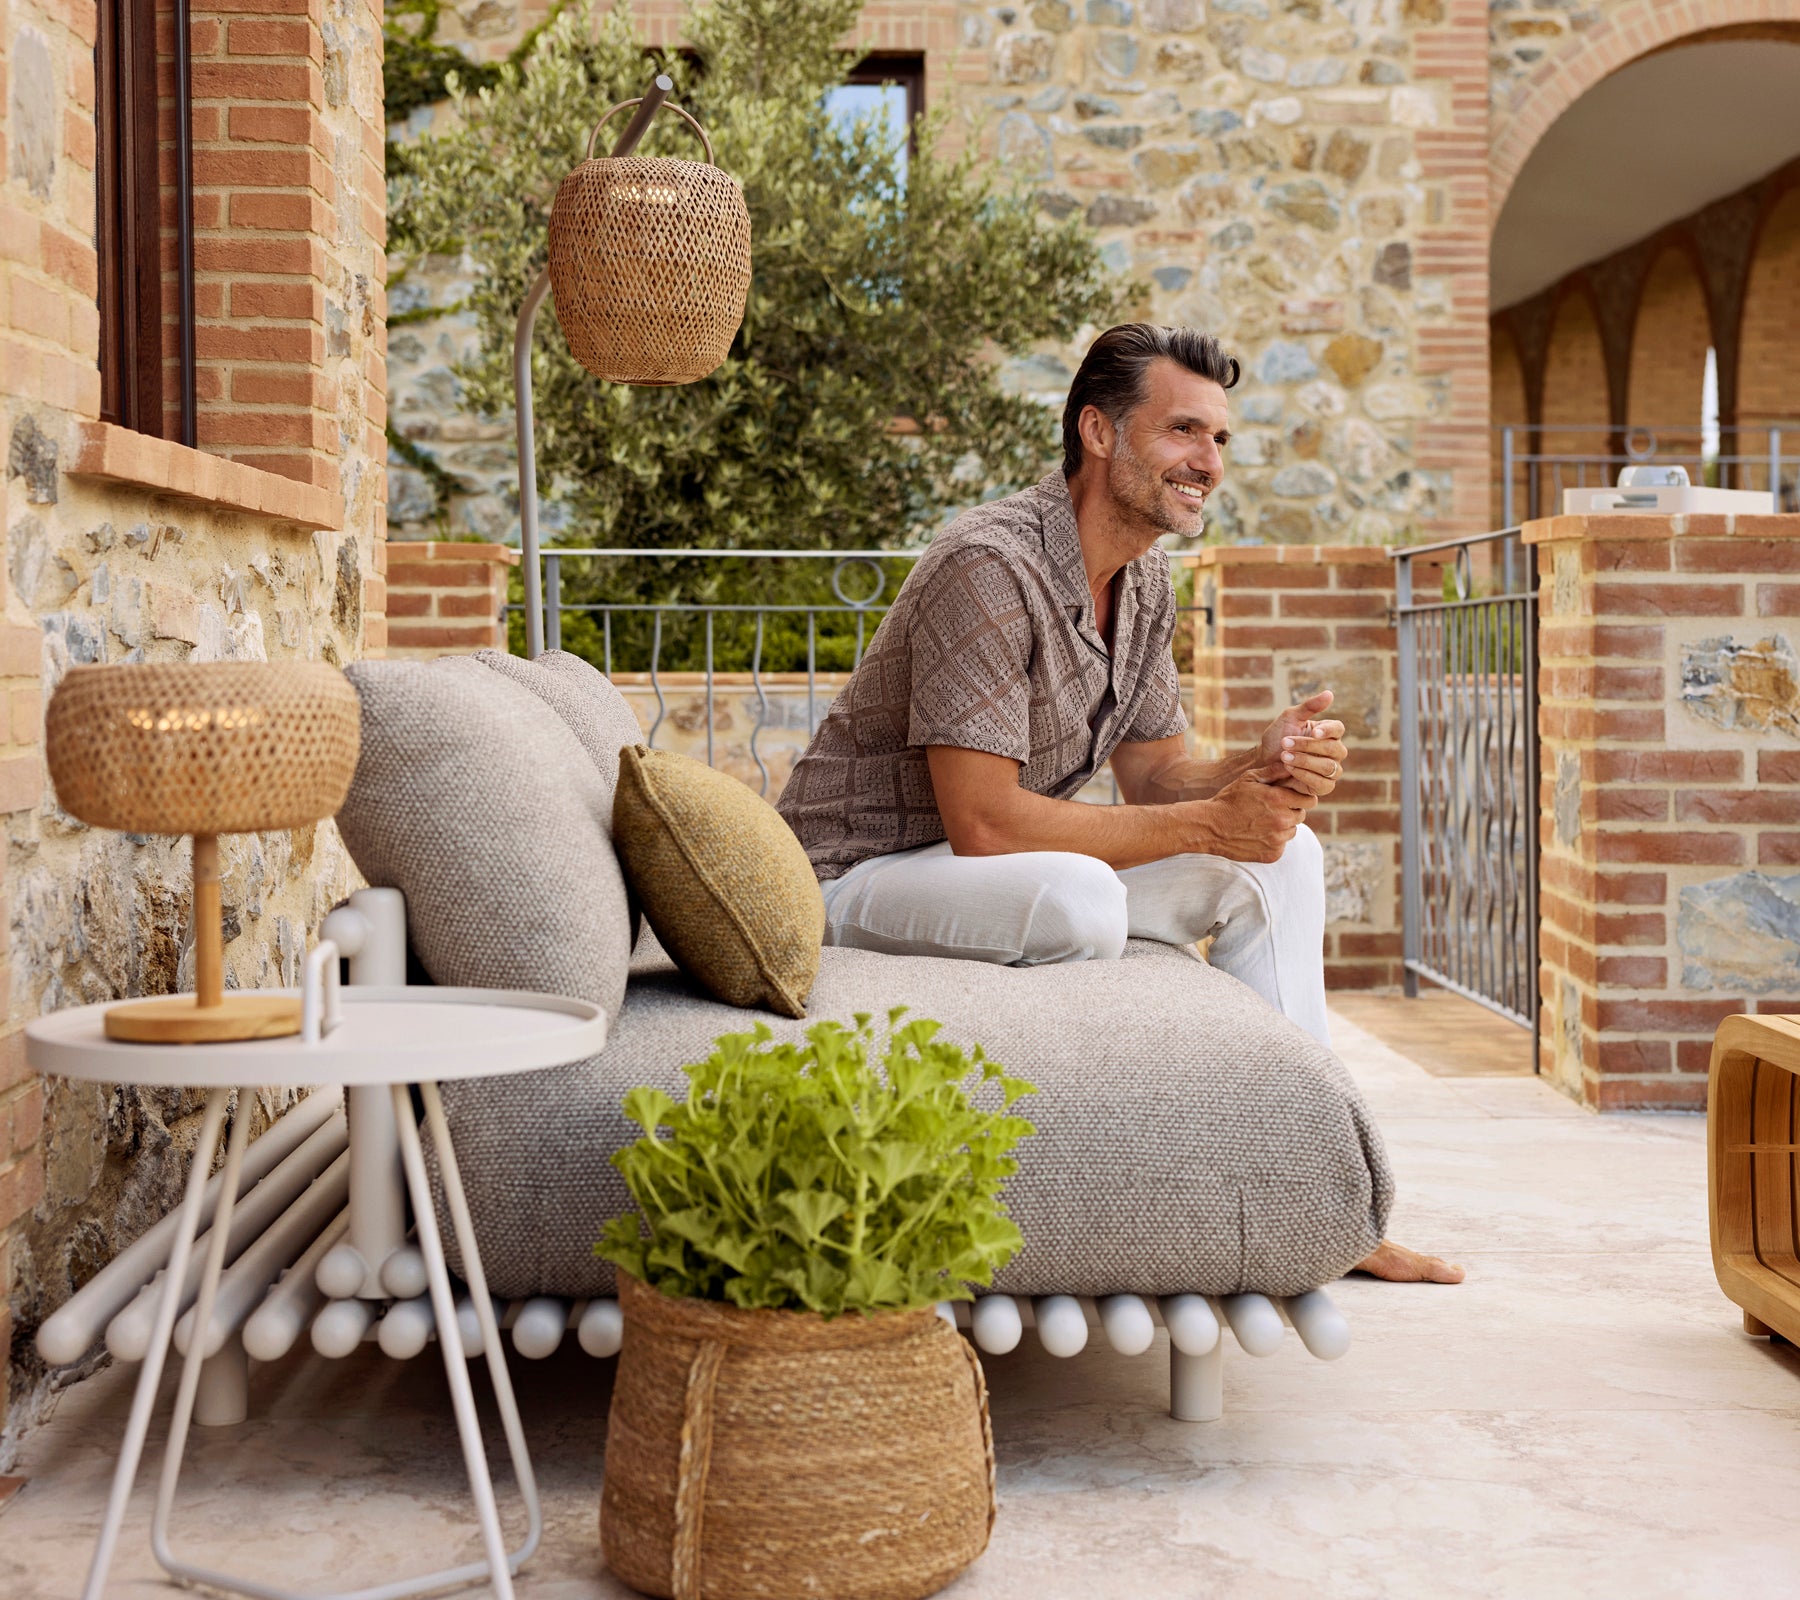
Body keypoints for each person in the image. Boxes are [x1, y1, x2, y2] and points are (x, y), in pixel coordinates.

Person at [777, 322, 1461, 1285]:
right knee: (1081, 898)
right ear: (1098, 433)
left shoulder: (1145, 583)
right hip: (854, 875)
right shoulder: (990, 566)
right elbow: (984, 822)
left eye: (1219, 438)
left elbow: (1156, 778)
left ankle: (1323, 1200)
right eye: (1183, 430)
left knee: (1283, 858)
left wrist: (1255, 762)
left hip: (984, 871)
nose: (1208, 461)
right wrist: (1210, 822)